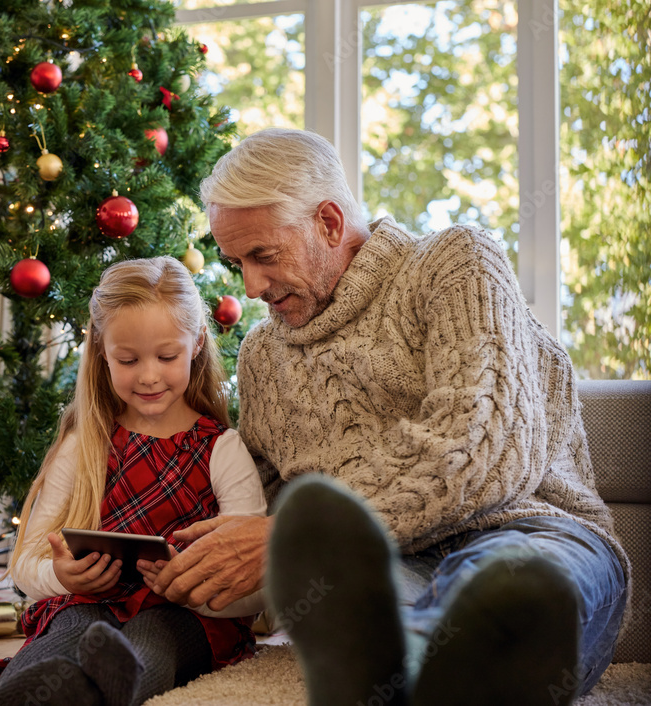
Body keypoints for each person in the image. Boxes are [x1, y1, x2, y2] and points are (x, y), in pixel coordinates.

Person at [145, 128, 630, 705]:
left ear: (328, 222)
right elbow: (260, 502)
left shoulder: (454, 263)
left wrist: (286, 539)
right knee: (365, 614)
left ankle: (438, 665)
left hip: (528, 530)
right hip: (389, 564)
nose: (251, 286)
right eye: (235, 263)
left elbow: (481, 446)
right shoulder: (261, 355)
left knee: (503, 590)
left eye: (264, 255)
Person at [0, 256, 267, 706]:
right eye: (127, 360)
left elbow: (254, 588)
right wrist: (63, 576)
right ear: (102, 354)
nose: (148, 376)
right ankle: (40, 692)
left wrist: (191, 586)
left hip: (186, 613)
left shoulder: (221, 449)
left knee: (153, 639)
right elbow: (25, 565)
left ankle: (106, 687)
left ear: (197, 344)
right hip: (86, 603)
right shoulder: (85, 443)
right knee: (69, 632)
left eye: (166, 356)